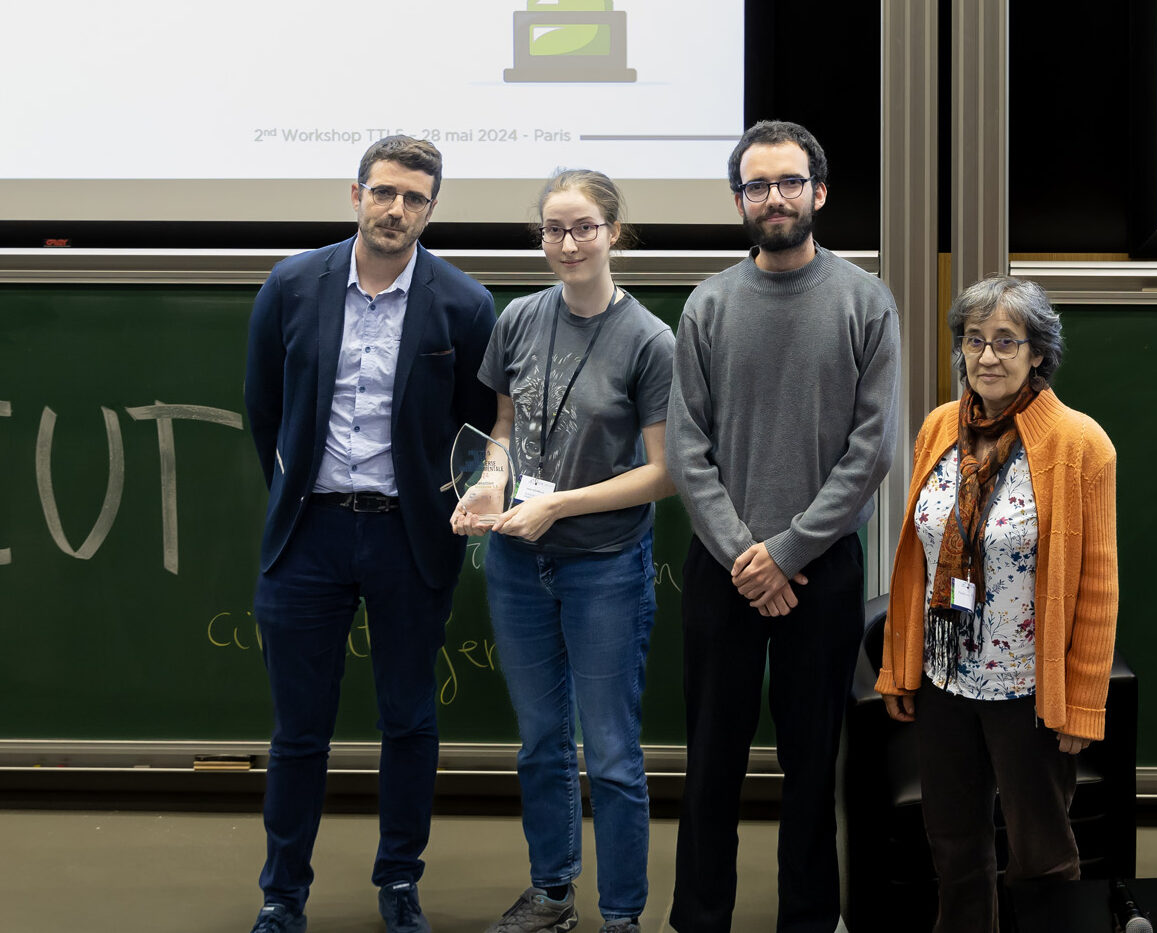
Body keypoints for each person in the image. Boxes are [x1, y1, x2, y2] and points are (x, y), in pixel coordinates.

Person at [243, 135, 497, 933]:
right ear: (355, 195)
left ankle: (399, 882)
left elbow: (476, 426)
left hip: (409, 538)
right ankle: (283, 894)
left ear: (431, 207)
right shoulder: (292, 284)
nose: (397, 210)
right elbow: (264, 407)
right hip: (309, 534)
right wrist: (295, 494)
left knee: (409, 720)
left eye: (415, 198)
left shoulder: (464, 303)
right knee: (298, 731)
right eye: (384, 192)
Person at [665, 120, 901, 933]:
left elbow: (871, 452)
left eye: (790, 182)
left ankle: (807, 918)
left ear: (820, 193)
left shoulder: (866, 302)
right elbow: (688, 451)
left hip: (823, 570)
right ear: (739, 200)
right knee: (711, 766)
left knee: (811, 766)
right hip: (721, 570)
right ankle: (700, 919)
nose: (775, 197)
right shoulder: (707, 303)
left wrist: (789, 552)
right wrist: (746, 557)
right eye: (758, 185)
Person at [451, 169, 675, 933]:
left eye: (583, 226)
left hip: (604, 565)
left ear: (614, 232)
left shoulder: (649, 339)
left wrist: (559, 506)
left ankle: (620, 915)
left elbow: (664, 472)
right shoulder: (516, 318)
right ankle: (552, 895)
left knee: (611, 752)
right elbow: (506, 433)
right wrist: (489, 484)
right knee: (541, 741)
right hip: (518, 561)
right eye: (553, 228)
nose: (567, 242)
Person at [875, 275, 1118, 933]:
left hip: (1027, 693)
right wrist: (901, 669)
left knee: (1040, 857)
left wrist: (1083, 703)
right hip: (945, 681)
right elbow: (915, 563)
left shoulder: (1080, 443)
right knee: (954, 850)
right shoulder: (937, 429)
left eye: (1005, 341)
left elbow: (1098, 584)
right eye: (973, 340)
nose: (986, 356)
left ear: (1038, 351)